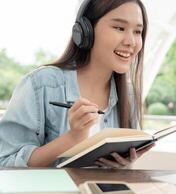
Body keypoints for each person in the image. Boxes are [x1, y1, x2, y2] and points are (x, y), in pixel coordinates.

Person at [0, 0, 154, 168]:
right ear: (85, 31)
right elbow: (6, 163)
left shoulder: (129, 95)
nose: (131, 41)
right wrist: (73, 138)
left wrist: (124, 166)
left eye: (138, 31)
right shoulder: (41, 85)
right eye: (119, 28)